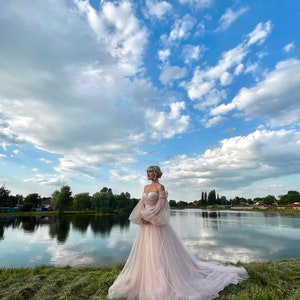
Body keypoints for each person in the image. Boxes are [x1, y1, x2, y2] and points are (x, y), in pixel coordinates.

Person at [108, 165, 248, 300]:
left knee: (158, 251)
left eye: (150, 172)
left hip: (156, 224)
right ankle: (145, 277)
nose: (147, 174)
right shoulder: (146, 187)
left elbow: (161, 207)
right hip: (146, 224)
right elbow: (142, 204)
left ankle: (162, 281)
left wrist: (150, 218)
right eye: (147, 172)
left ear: (155, 173)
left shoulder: (160, 187)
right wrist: (142, 216)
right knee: (147, 250)